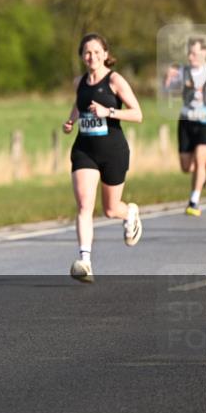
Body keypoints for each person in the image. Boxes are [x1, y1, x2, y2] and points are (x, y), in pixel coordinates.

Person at [63, 33, 143, 283]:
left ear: (106, 54)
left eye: (97, 52)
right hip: (85, 150)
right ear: (82, 56)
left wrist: (108, 111)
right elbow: (79, 104)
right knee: (84, 205)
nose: (92, 56)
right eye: (87, 52)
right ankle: (85, 262)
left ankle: (129, 213)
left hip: (113, 151)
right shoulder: (79, 82)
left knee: (110, 209)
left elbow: (137, 114)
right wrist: (71, 121)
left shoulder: (115, 80)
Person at [164, 37, 206, 217]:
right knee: (186, 167)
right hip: (186, 121)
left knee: (199, 157)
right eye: (189, 53)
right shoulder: (182, 72)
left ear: (204, 52)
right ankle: (205, 169)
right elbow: (168, 89)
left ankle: (194, 201)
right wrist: (168, 77)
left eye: (194, 53)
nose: (191, 57)